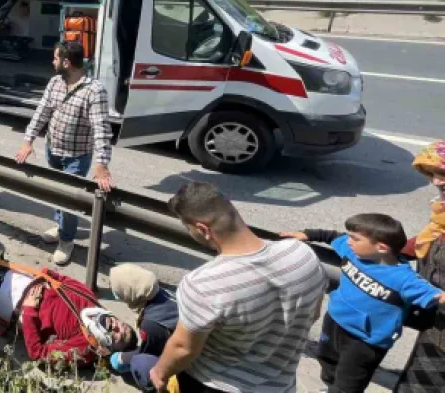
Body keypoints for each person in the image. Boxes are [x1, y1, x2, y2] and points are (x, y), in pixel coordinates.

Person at [149, 182, 327, 393]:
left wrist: (159, 374)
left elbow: (183, 348)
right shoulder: (302, 254)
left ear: (203, 230)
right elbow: (312, 314)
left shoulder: (202, 284)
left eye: (188, 229)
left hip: (215, 385)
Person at [279, 214, 445, 393]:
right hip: (335, 321)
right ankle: (329, 386)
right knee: (326, 362)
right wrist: (306, 234)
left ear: (381, 247)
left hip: (365, 341)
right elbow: (334, 237)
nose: (349, 241)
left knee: (349, 383)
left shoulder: (404, 280)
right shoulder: (352, 251)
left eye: (355, 239)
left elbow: (437, 297)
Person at [0, 248, 139, 364]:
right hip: (9, 274)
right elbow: (64, 279)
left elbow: (37, 353)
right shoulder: (92, 302)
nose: (115, 327)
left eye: (118, 336)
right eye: (122, 326)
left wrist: (29, 310)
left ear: (106, 350)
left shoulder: (83, 350)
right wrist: (46, 276)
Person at [15, 41, 114, 265]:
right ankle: (61, 227)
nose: (52, 62)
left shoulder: (94, 91)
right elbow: (42, 111)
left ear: (66, 62)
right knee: (56, 193)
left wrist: (101, 164)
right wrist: (27, 141)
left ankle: (67, 240)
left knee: (68, 198)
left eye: (55, 58)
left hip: (77, 156)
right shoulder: (55, 82)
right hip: (53, 150)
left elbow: (101, 129)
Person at [393, 139, 445, 393]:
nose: (437, 182)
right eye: (434, 174)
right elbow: (428, 239)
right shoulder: (442, 216)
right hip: (434, 324)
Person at [108, 264, 180, 393]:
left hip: (192, 368)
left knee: (140, 363)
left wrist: (123, 358)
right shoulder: (163, 293)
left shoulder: (151, 324)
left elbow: (151, 354)